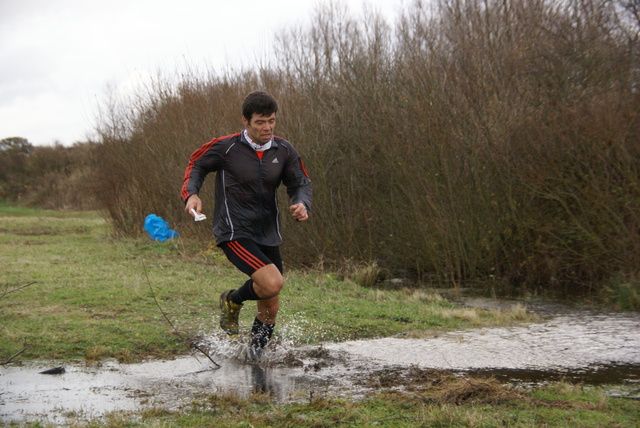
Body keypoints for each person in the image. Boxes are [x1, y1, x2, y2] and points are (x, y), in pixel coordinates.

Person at [180, 91, 312, 359]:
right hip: (234, 231)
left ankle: (254, 358)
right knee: (273, 283)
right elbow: (196, 164)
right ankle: (232, 300)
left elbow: (300, 183)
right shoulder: (226, 147)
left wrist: (302, 203)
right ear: (246, 122)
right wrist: (191, 193)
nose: (267, 128)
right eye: (260, 122)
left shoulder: (284, 150)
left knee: (270, 305)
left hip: (268, 232)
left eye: (271, 121)